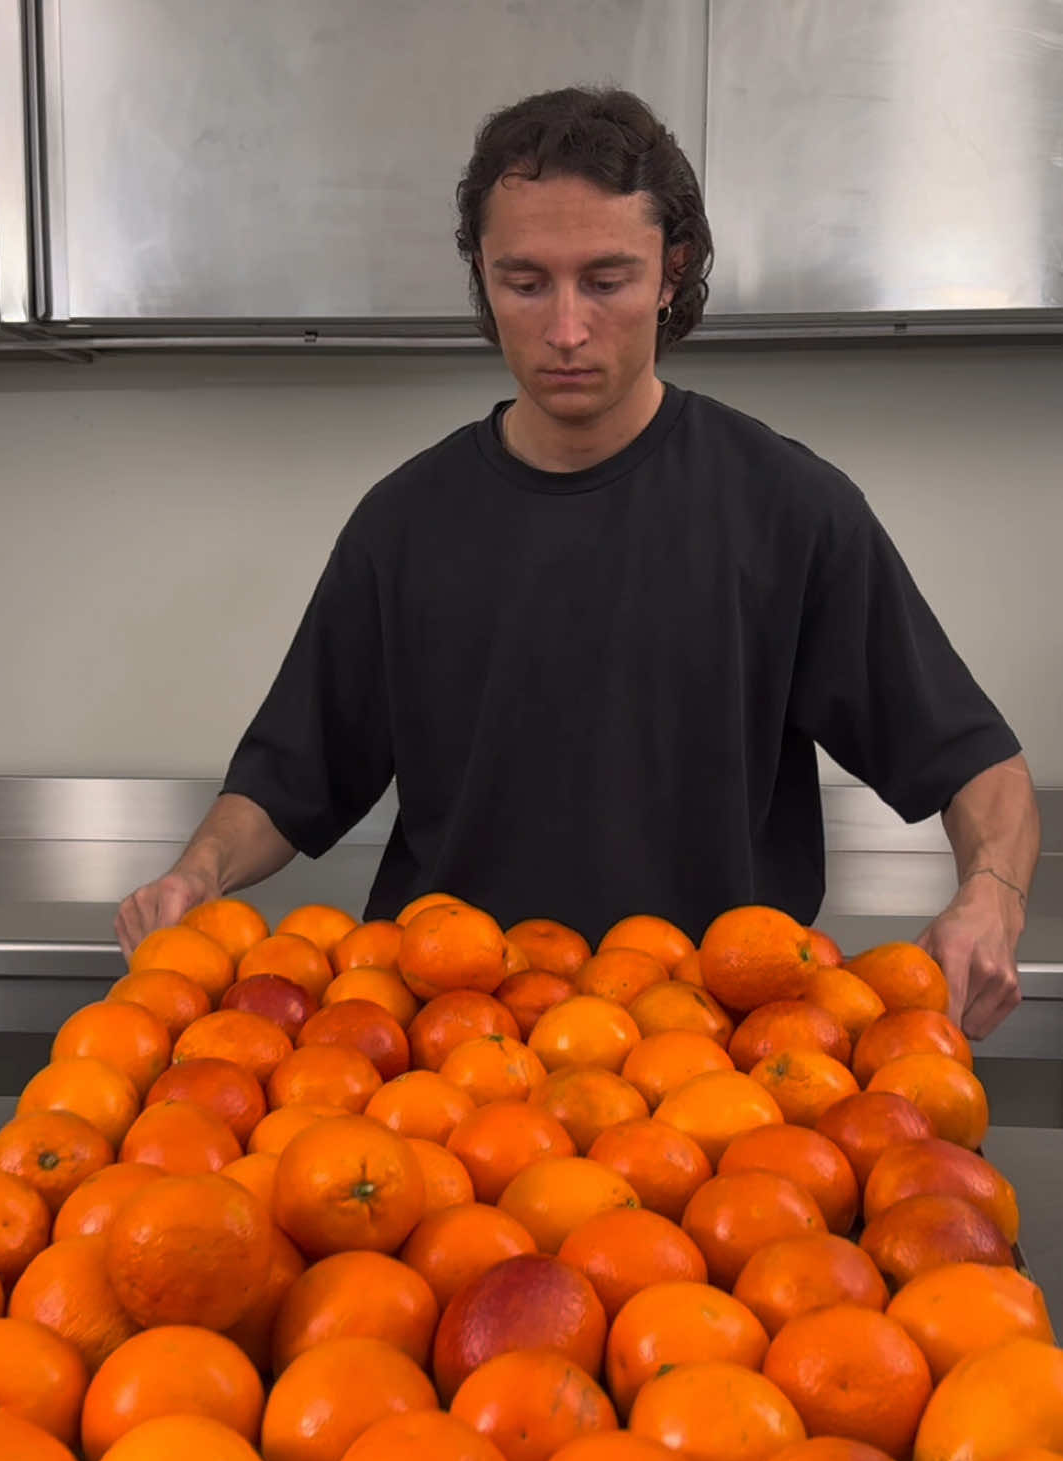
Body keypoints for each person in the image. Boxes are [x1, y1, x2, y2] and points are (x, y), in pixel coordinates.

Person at [115, 85, 1039, 1042]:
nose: (565, 330)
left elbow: (981, 767)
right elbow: (285, 779)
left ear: (672, 271)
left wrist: (993, 897)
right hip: (443, 1057)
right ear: (483, 276)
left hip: (711, 1059)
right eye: (526, 283)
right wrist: (198, 872)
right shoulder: (403, 525)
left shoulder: (789, 511)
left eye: (606, 280)